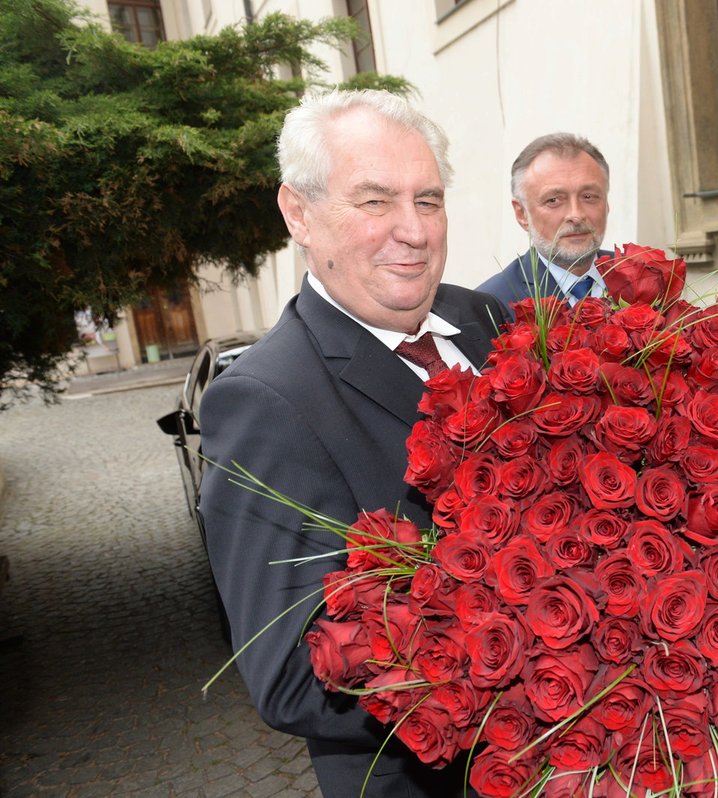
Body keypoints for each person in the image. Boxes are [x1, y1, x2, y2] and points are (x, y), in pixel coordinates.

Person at [198, 89, 505, 797]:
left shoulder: (488, 317)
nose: (414, 231)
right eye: (374, 202)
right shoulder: (267, 401)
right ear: (298, 213)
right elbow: (288, 676)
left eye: (428, 201)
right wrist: (535, 674)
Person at [477, 132, 611, 307]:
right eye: (553, 200)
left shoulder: (648, 278)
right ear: (522, 214)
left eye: (588, 196)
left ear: (607, 204)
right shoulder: (494, 304)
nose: (576, 215)